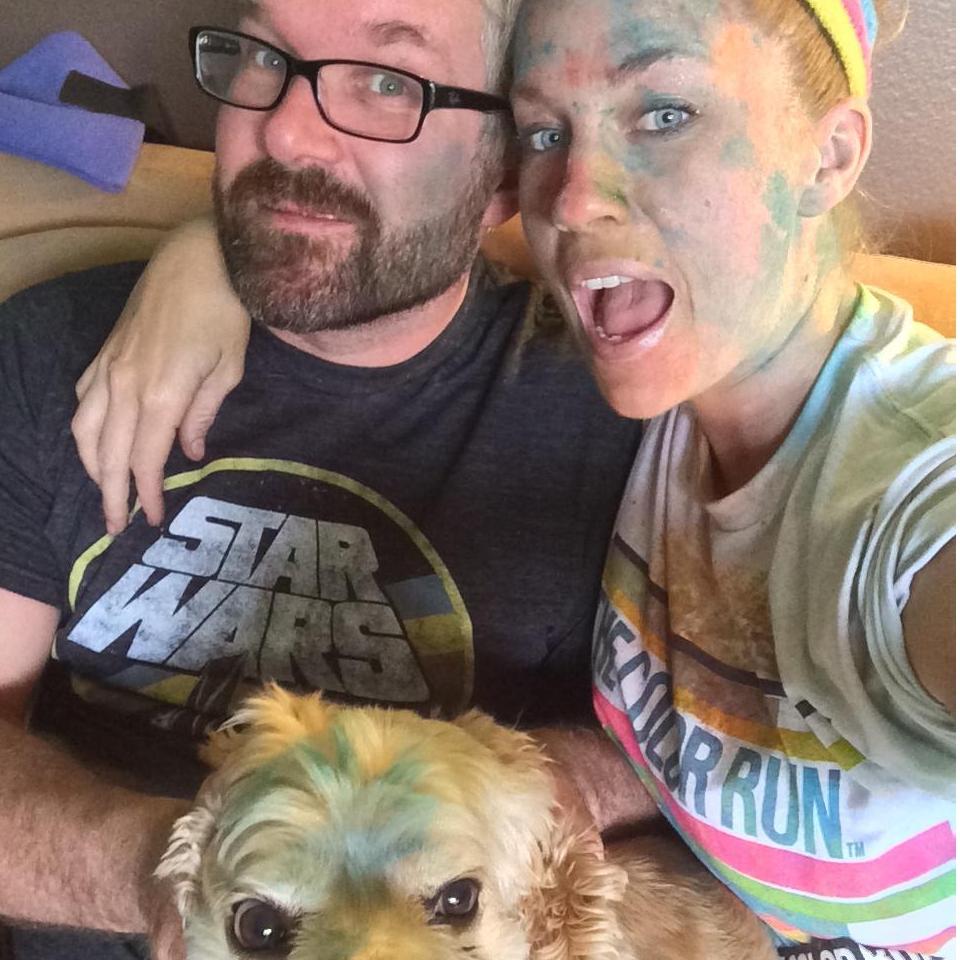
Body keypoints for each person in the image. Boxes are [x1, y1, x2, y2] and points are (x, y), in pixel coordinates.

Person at [73, 0, 956, 956]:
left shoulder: (910, 488)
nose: (571, 200)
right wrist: (208, 254)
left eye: (665, 114)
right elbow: (420, 237)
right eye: (545, 134)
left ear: (830, 155)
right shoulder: (652, 388)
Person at [0, 1, 653, 958]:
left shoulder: (612, 411)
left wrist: (547, 791)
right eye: (266, 57)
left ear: (505, 173)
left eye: (389, 83)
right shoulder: (50, 350)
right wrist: (178, 882)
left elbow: (723, 754)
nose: (288, 132)